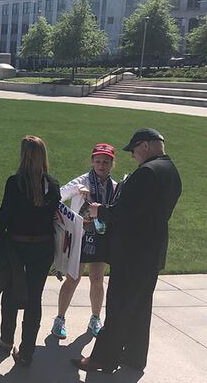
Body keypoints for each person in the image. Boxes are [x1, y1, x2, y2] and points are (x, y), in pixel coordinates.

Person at [73, 128, 182, 374]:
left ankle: (102, 359)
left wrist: (99, 210)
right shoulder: (171, 170)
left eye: (134, 151)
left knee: (119, 306)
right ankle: (134, 356)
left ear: (144, 146)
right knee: (141, 308)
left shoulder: (147, 172)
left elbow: (125, 211)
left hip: (132, 253)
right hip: (152, 251)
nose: (133, 156)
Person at [0, 136, 60, 367]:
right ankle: (27, 352)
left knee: (11, 292)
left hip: (17, 247)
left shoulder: (15, 182)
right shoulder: (53, 184)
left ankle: (7, 340)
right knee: (34, 298)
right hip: (43, 247)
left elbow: (5, 214)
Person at [51, 143, 118, 340]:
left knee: (97, 280)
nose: (101, 165)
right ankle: (60, 318)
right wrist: (76, 191)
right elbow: (59, 196)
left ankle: (95, 318)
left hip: (101, 236)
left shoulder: (114, 187)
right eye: (97, 161)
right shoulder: (82, 182)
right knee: (73, 279)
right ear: (92, 161)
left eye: (106, 162)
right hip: (80, 238)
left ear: (112, 164)